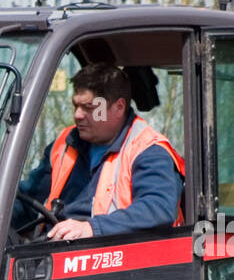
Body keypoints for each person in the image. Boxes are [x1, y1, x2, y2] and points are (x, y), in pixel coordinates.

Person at [17, 63, 185, 242]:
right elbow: (29, 200)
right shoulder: (65, 144)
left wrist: (91, 228)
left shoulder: (148, 150)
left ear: (119, 107)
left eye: (89, 107)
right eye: (76, 106)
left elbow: (157, 208)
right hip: (55, 252)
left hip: (116, 260)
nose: (78, 115)